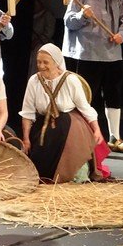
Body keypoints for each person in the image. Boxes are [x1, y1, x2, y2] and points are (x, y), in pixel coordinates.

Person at [62, 0, 123, 153]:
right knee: (85, 97)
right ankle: (83, 139)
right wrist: (82, 15)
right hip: (88, 55)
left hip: (113, 55)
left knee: (114, 95)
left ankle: (115, 137)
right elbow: (68, 22)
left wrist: (121, 34)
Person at [20, 43, 105, 183]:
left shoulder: (70, 80)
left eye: (45, 62)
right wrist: (26, 139)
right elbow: (27, 113)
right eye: (39, 62)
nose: (41, 66)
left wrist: (96, 129)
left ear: (57, 63)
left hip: (69, 123)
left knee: (66, 145)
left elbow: (85, 108)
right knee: (38, 162)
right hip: (44, 124)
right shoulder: (34, 81)